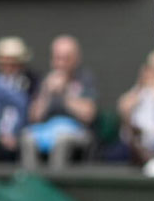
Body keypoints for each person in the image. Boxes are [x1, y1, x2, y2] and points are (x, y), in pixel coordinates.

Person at [21, 34, 98, 170]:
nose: (61, 63)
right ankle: (32, 182)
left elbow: (88, 116)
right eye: (58, 58)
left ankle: (57, 184)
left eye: (66, 59)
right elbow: (34, 118)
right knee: (27, 137)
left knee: (61, 140)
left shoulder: (85, 78)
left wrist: (65, 94)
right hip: (47, 129)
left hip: (76, 131)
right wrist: (46, 92)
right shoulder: (46, 80)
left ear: (76, 59)